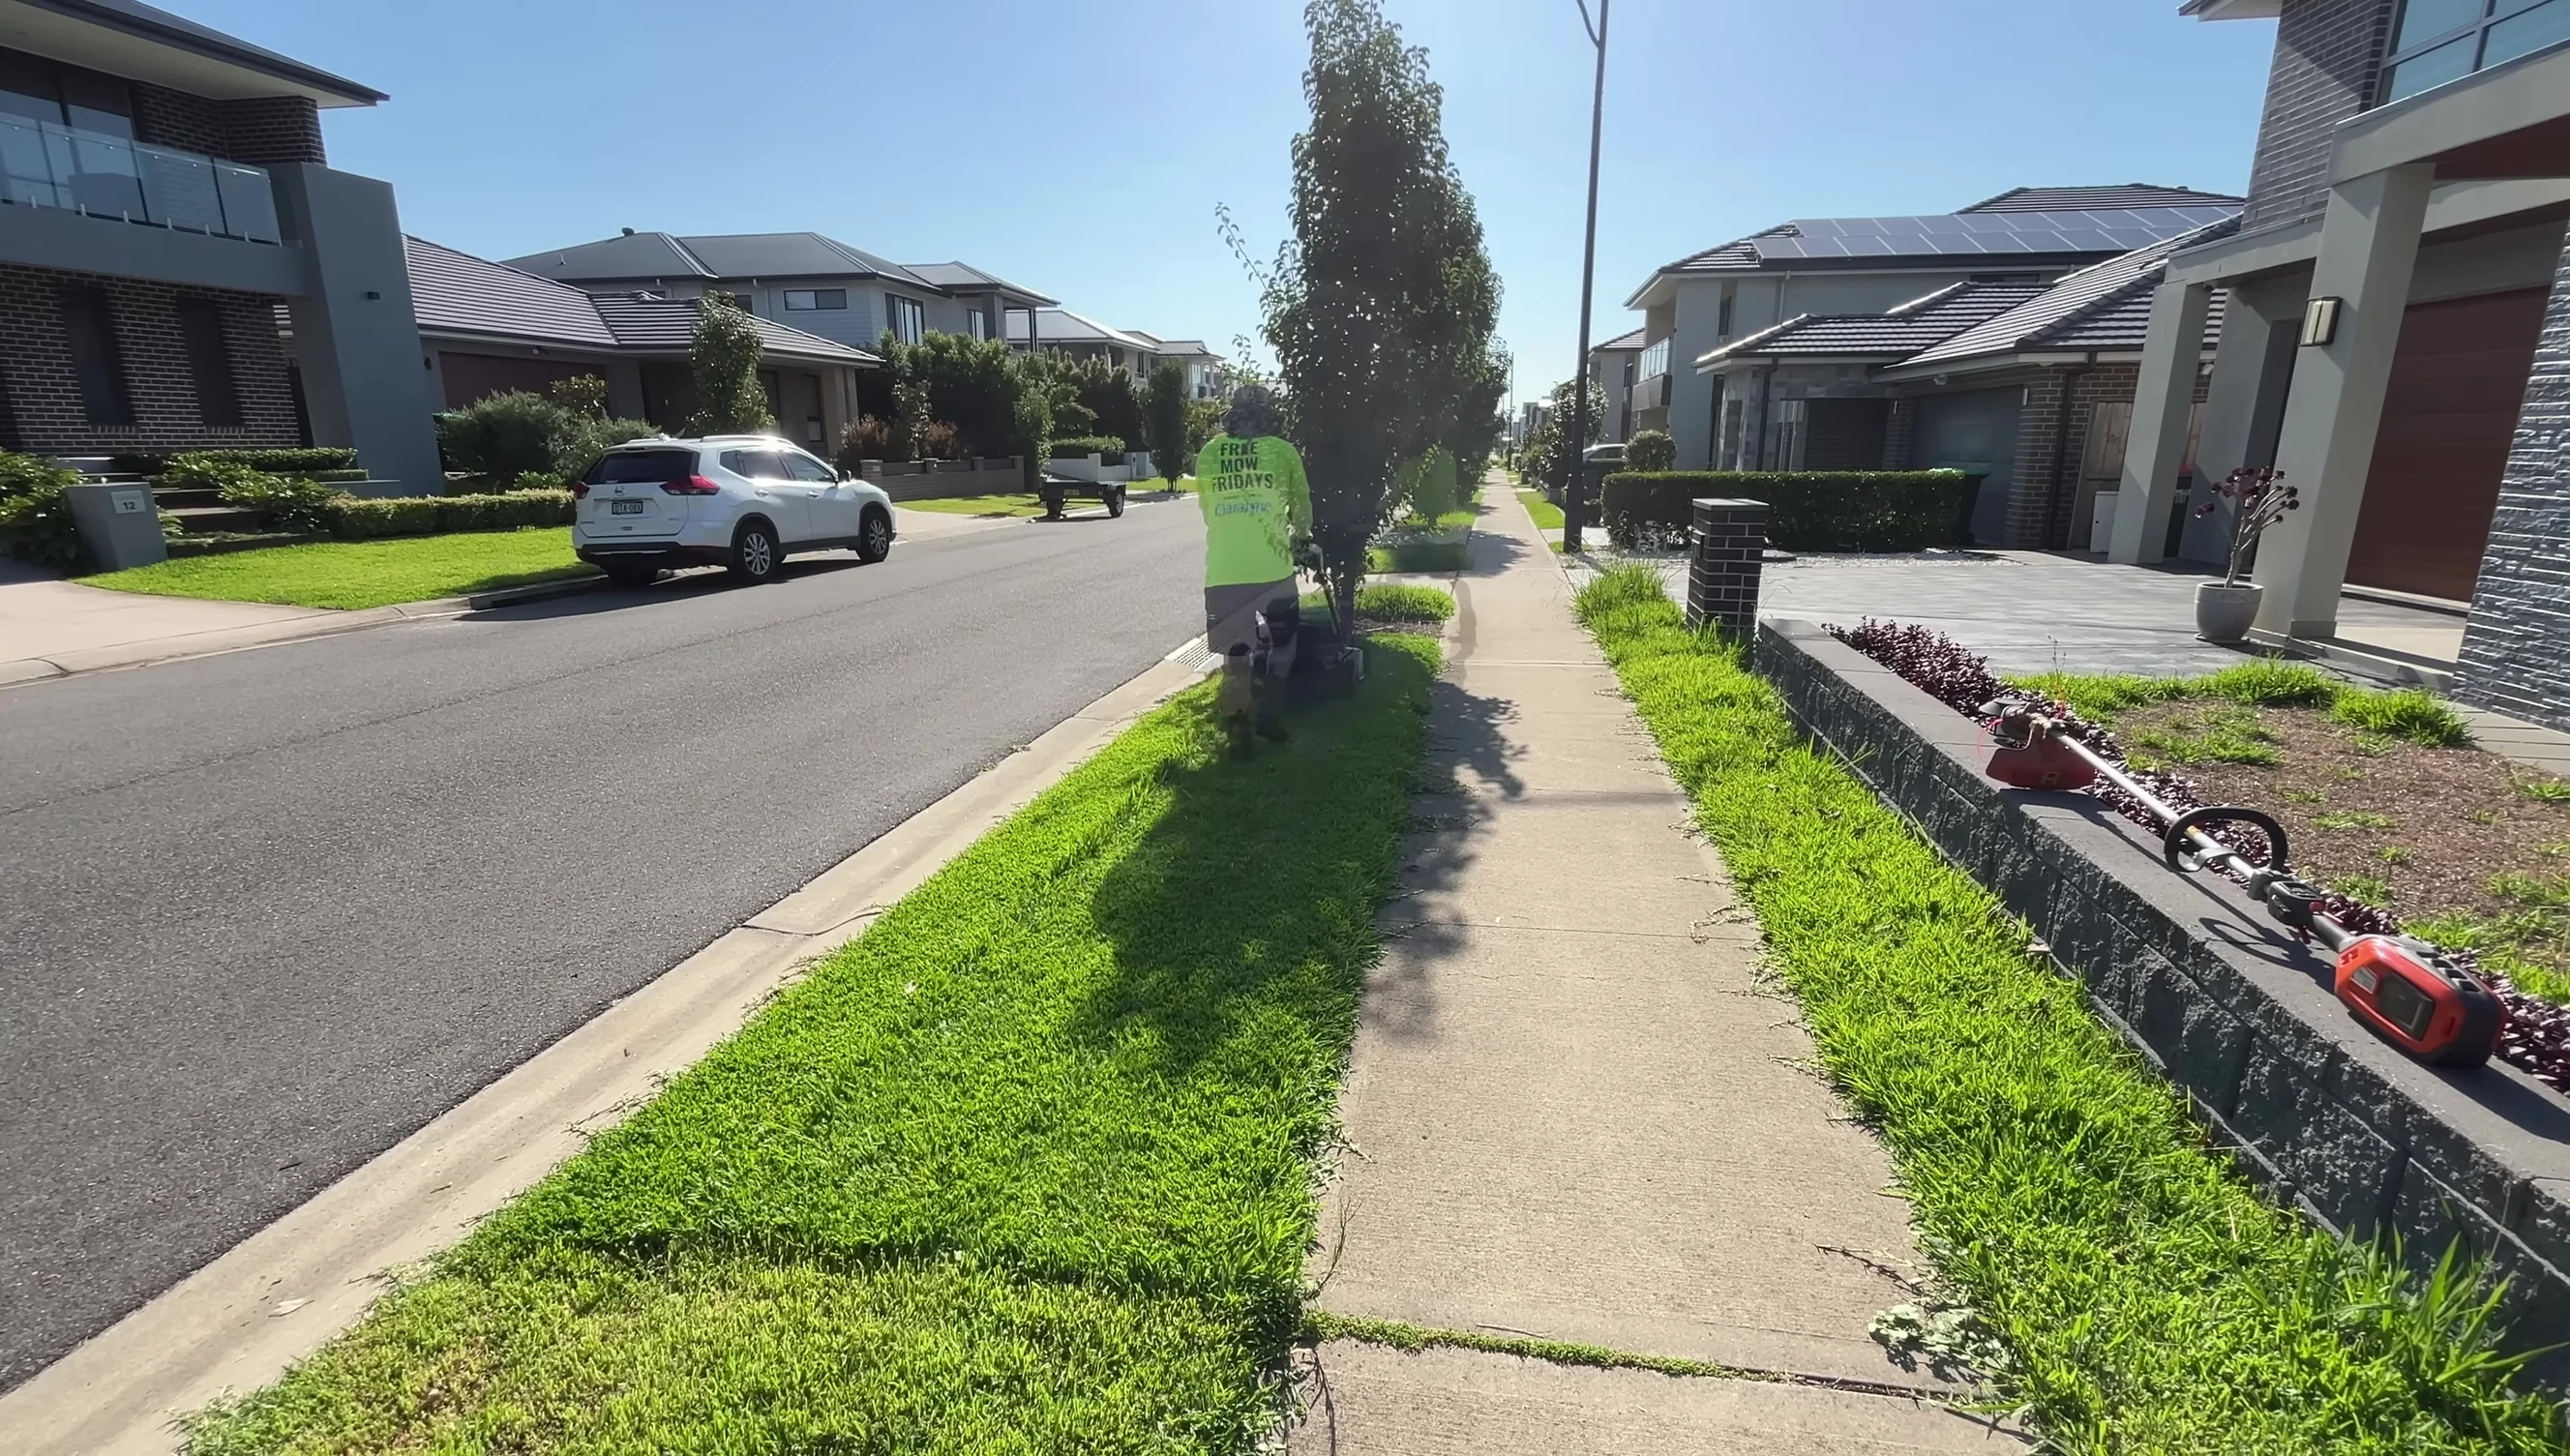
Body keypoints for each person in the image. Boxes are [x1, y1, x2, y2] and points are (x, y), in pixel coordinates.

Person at [1193, 384, 1311, 758]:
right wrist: (1301, 539)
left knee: (1236, 654)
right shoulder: (1283, 451)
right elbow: (1302, 511)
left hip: (1225, 573)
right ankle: (1270, 718)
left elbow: (1207, 510)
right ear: (1269, 414)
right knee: (1283, 646)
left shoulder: (1210, 453)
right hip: (1274, 572)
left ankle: (1238, 728)